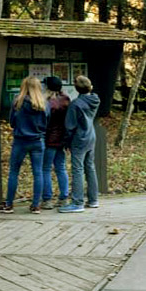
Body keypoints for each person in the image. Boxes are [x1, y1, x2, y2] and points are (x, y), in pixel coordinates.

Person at [0, 76, 48, 214]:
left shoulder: (17, 102)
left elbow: (12, 122)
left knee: (14, 172)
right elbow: (45, 124)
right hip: (37, 141)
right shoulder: (43, 104)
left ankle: (9, 204)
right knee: (38, 173)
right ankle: (36, 205)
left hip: (20, 141)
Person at [58, 75, 100, 213]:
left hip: (79, 139)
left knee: (77, 169)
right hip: (90, 136)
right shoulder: (95, 100)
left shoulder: (75, 104)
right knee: (90, 167)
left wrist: (66, 142)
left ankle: (77, 202)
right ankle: (93, 200)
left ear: (76, 88)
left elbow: (69, 126)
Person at [41, 76, 71, 209]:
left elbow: (44, 121)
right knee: (61, 168)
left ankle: (47, 199)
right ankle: (64, 197)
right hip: (61, 139)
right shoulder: (66, 99)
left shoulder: (46, 101)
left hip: (49, 139)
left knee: (46, 169)